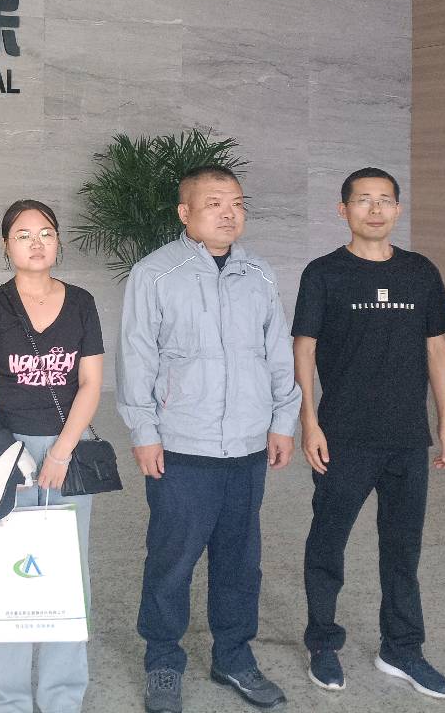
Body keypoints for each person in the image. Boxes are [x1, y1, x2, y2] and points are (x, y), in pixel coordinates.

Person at [117, 165, 301, 713]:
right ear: (185, 213)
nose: (229, 213)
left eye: (237, 203)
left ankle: (234, 658)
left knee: (240, 563)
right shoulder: (155, 274)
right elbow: (137, 357)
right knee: (171, 561)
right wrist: (144, 431)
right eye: (215, 203)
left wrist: (282, 421)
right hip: (182, 446)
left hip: (246, 448)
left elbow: (278, 353)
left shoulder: (259, 274)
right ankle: (163, 661)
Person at [292, 167, 445, 700]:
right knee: (328, 543)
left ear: (398, 209)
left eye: (384, 200)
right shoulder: (324, 273)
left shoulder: (419, 271)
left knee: (402, 549)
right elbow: (304, 348)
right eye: (363, 200)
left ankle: (402, 648)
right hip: (343, 436)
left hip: (407, 439)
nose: (374, 209)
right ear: (343, 210)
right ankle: (323, 643)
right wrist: (309, 421)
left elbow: (437, 347)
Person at [0, 198, 106, 713]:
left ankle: (62, 696)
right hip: (6, 452)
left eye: (45, 232)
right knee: (3, 575)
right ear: (6, 246)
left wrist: (62, 452)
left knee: (68, 576)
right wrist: (8, 460)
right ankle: (8, 700)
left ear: (58, 241)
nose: (36, 243)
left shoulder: (82, 303)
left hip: (68, 451)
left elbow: (90, 384)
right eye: (23, 235)